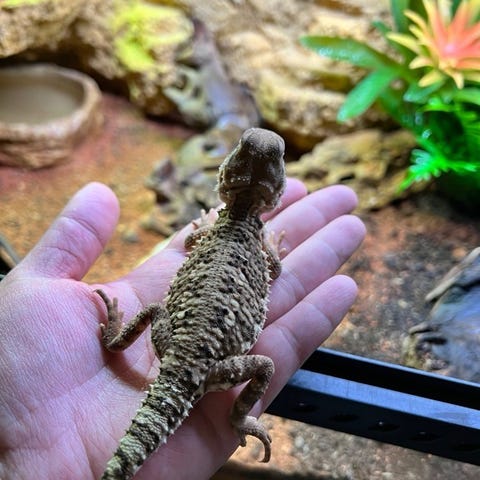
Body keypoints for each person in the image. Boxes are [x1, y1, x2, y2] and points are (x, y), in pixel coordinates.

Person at [0, 179, 365, 479]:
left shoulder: (210, 230)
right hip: (213, 368)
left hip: (172, 345)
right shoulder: (261, 244)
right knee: (265, 366)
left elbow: (190, 242)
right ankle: (238, 418)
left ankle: (115, 342)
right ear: (275, 191)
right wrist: (270, 245)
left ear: (227, 177)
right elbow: (277, 270)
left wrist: (207, 227)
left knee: (156, 311)